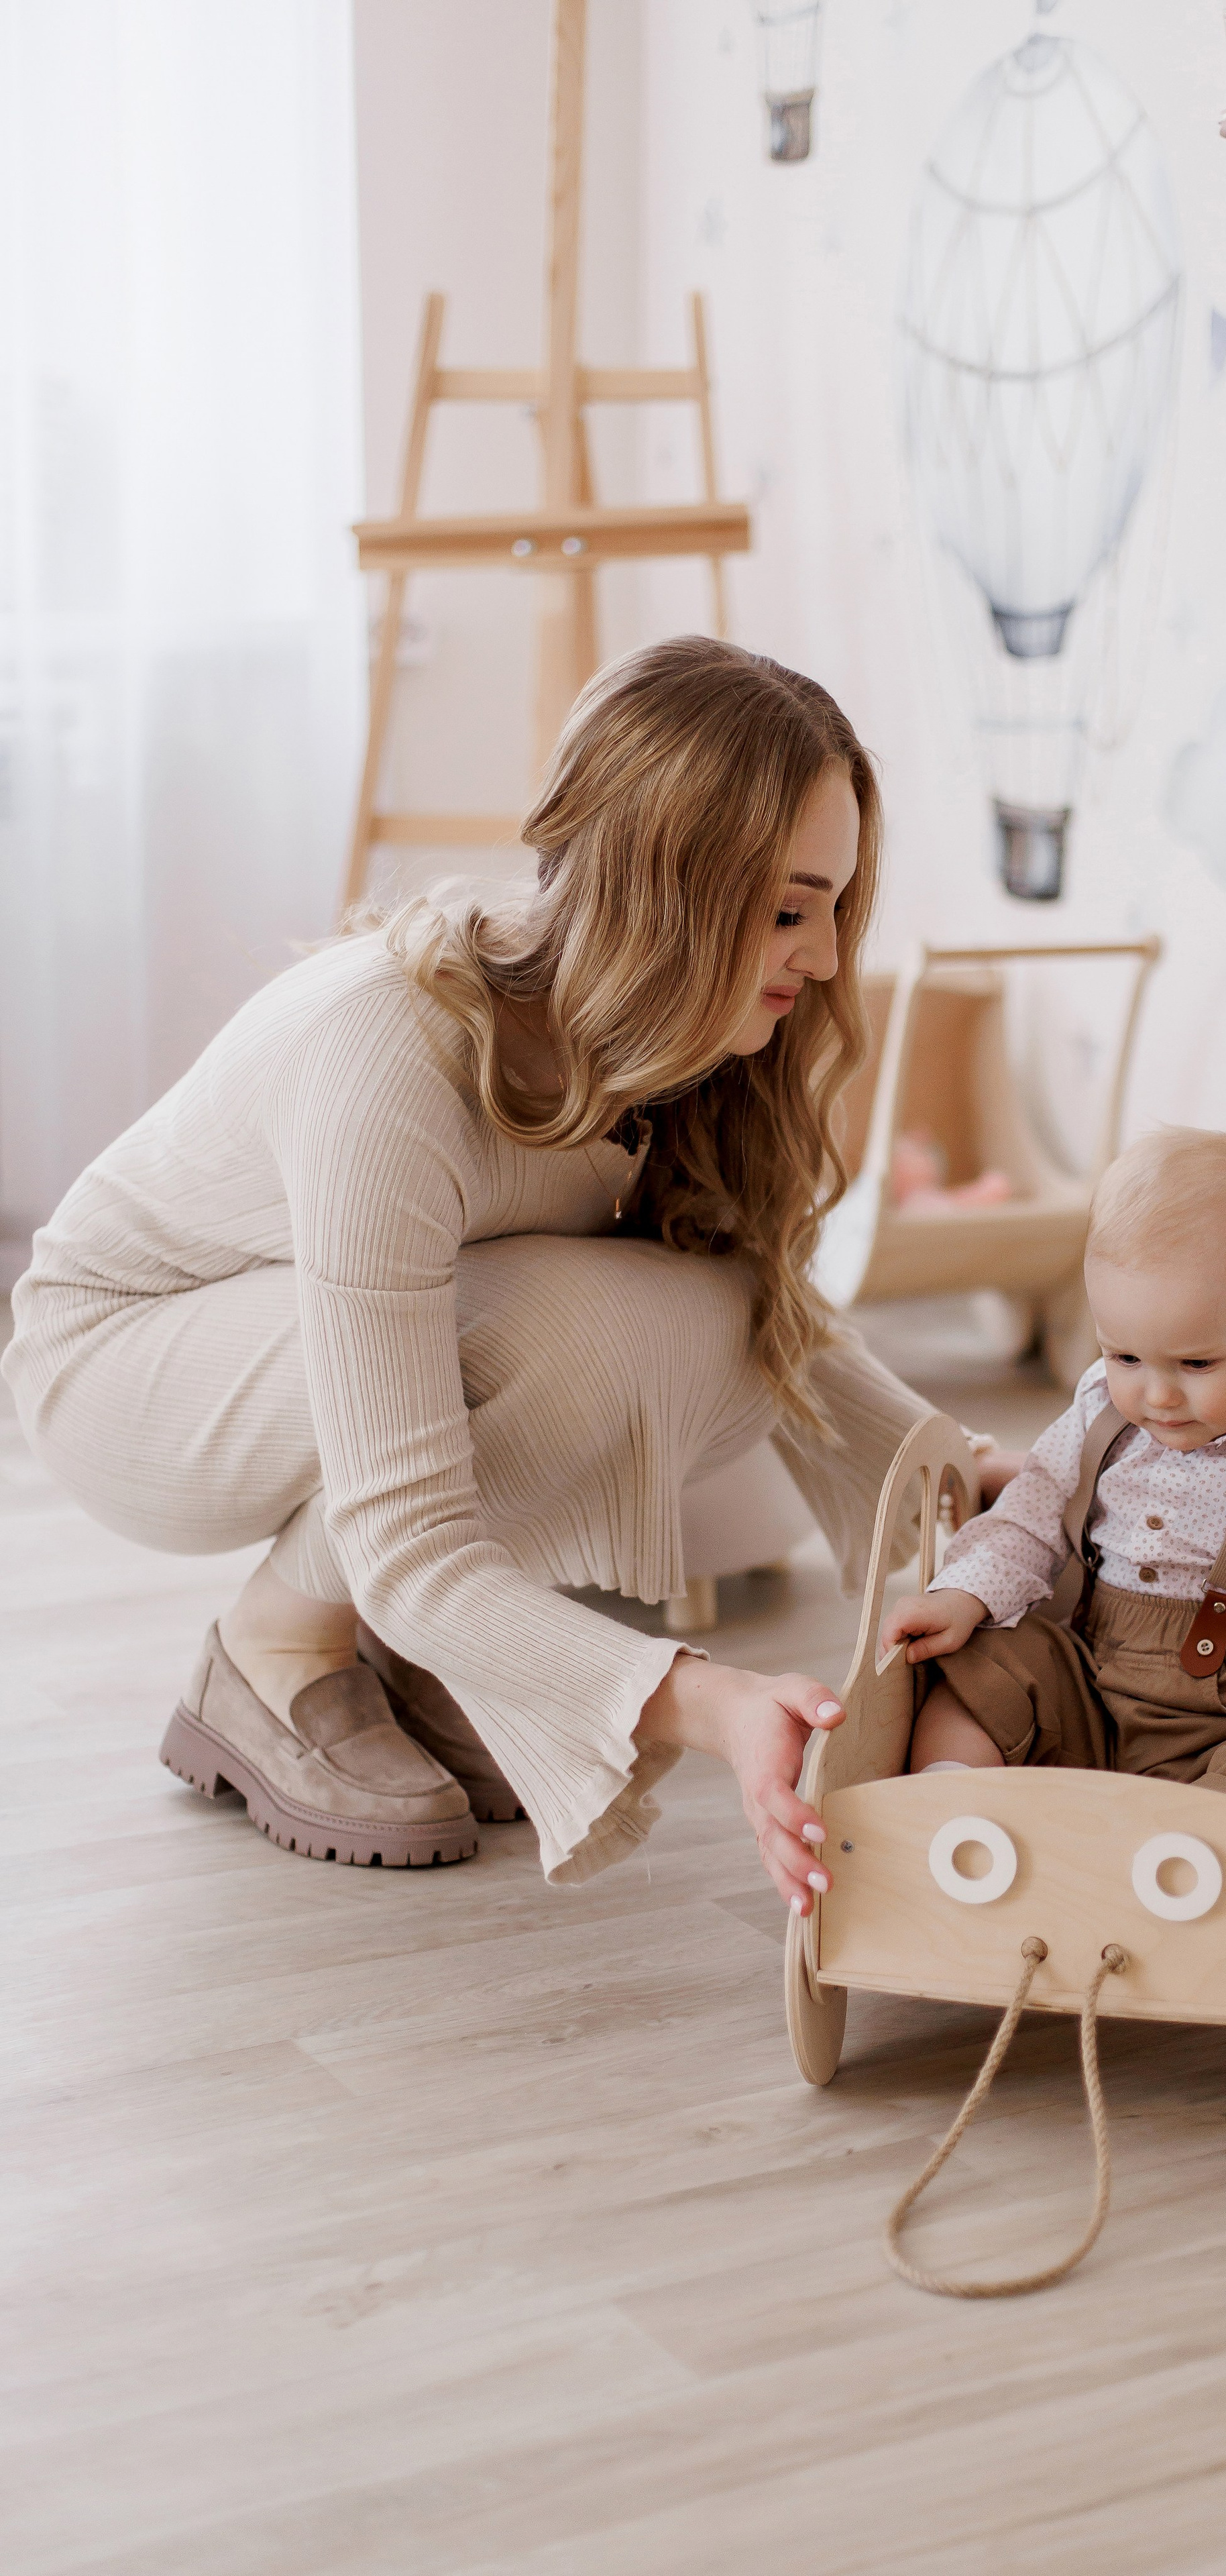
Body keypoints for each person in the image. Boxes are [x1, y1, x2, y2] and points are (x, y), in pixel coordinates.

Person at [5, 636, 987, 1912]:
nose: (821, 957)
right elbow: (413, 1539)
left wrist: (969, 1477)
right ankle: (277, 1648)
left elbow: (774, 1320)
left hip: (311, 1345)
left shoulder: (676, 1043)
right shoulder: (388, 1059)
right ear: (665, 889)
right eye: (788, 909)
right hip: (123, 1370)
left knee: (707, 1313)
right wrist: (708, 1700)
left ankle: (418, 1664)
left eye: (834, 909)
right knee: (557, 1331)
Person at [881, 1126, 1226, 1829]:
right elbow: (1030, 1514)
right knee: (988, 1661)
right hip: (1096, 1684)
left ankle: (1190, 1851)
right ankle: (952, 1814)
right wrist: (964, 1597)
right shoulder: (1102, 1411)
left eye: (1194, 1365)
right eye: (1124, 1355)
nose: (1154, 1396)